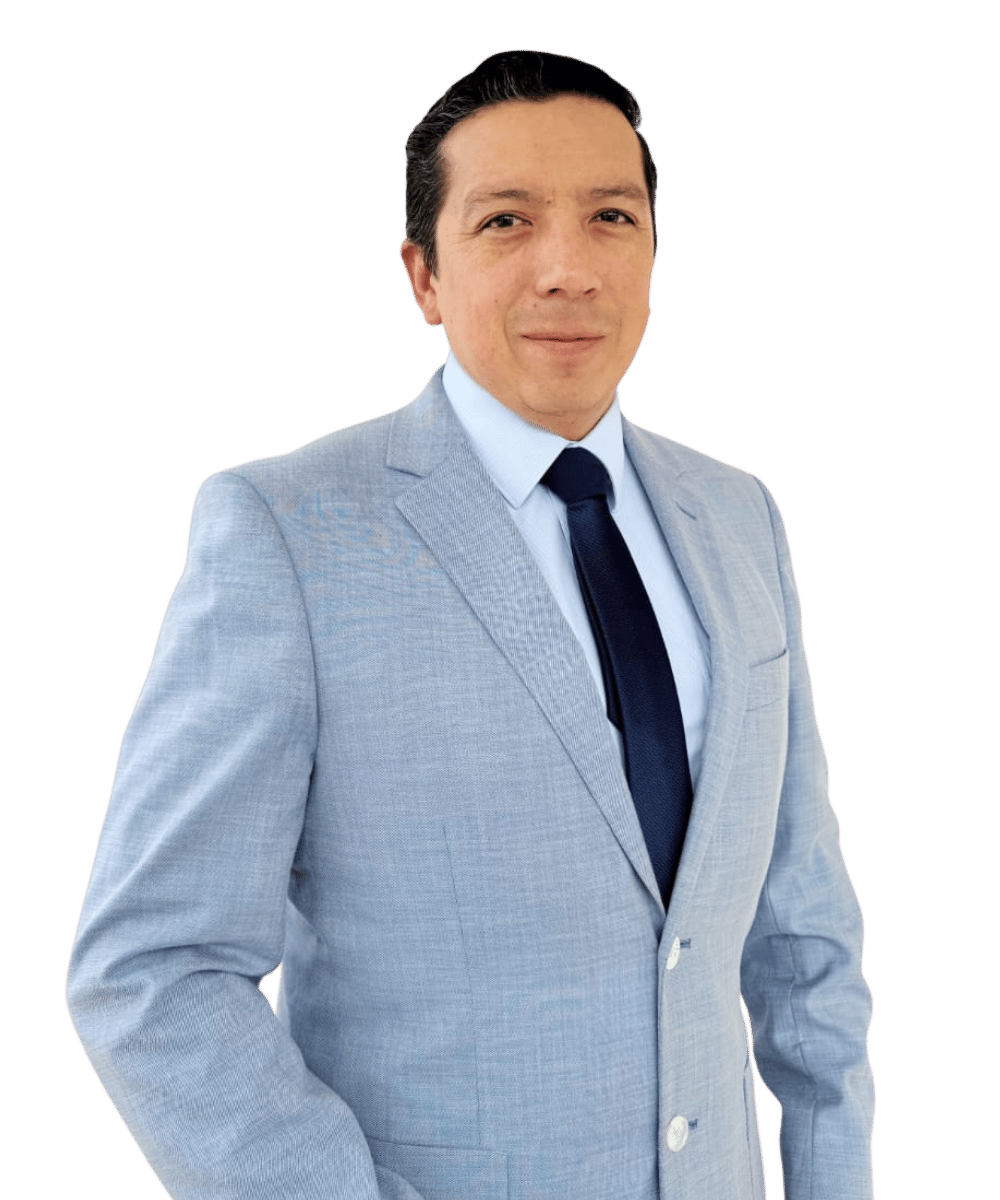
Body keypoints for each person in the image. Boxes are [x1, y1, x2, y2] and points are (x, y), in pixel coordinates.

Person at [65, 48, 875, 1200]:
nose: (568, 269)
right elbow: (154, 969)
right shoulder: (288, 532)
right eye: (505, 221)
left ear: (652, 252)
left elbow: (804, 945)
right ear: (424, 275)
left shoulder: (739, 515)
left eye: (610, 217)